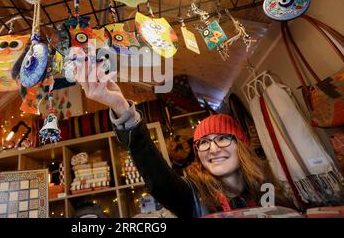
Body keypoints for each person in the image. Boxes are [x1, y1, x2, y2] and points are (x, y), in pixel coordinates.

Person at [74, 60, 293, 218]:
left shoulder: (271, 189)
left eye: (223, 138)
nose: (213, 148)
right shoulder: (192, 196)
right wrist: (121, 108)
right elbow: (158, 178)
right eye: (204, 143)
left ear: (241, 146)